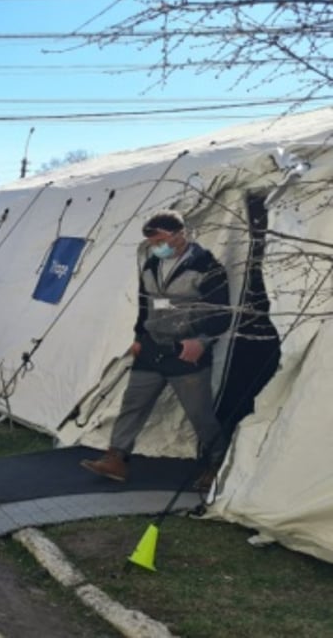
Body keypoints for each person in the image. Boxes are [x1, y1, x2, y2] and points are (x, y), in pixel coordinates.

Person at [81, 210, 232, 491]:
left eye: (159, 239)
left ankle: (216, 465)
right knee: (132, 404)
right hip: (152, 347)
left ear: (179, 235)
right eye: (151, 241)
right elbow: (145, 304)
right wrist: (139, 335)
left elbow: (222, 314)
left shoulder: (207, 267)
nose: (155, 245)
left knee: (199, 414)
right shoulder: (151, 265)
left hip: (186, 350)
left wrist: (201, 341)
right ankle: (116, 458)